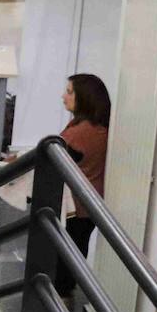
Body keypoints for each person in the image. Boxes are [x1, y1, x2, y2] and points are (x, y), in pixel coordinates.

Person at [53, 74, 111, 296]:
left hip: (77, 206)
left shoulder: (82, 133)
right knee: (76, 251)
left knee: (66, 259)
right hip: (88, 204)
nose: (63, 96)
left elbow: (57, 159)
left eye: (69, 92)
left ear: (84, 98)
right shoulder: (94, 126)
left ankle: (59, 301)